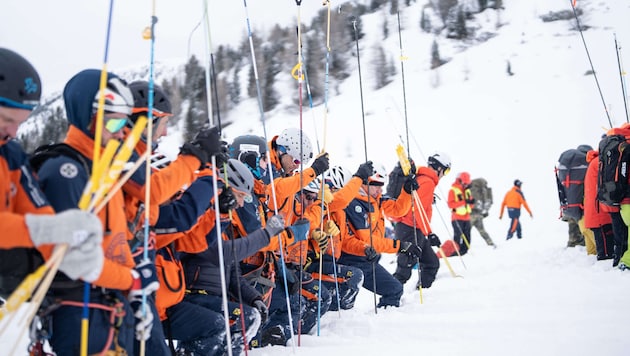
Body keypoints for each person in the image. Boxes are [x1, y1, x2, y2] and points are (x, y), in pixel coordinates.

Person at [35, 69, 152, 354]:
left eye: (125, 122)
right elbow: (76, 259)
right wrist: (131, 280)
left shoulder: (103, 172)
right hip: (78, 311)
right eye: (114, 123)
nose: (123, 131)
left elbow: (112, 241)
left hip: (107, 306)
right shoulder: (67, 171)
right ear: (89, 117)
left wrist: (132, 290)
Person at [0, 48, 104, 297]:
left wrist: (65, 247)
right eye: (6, 120)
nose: (14, 133)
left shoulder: (10, 154)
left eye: (20, 123)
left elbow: (37, 209)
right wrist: (46, 230)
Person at [339, 162, 421, 308]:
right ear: (364, 182)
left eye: (381, 184)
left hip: (368, 258)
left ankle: (382, 322)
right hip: (354, 258)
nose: (380, 189)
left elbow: (398, 210)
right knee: (393, 290)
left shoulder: (376, 200)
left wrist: (407, 191)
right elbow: (367, 240)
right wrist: (400, 246)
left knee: (394, 289)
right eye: (376, 184)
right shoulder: (353, 204)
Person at [393, 152, 451, 290]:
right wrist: (429, 233)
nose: (444, 175)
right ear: (439, 168)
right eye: (446, 171)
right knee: (404, 270)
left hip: (414, 229)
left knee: (431, 263)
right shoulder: (428, 182)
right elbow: (418, 211)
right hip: (410, 229)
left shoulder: (422, 179)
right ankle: (390, 300)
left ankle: (422, 290)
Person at [583, 148, 614, 261]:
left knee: (603, 247)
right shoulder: (600, 162)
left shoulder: (594, 161)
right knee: (606, 253)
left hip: (595, 211)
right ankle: (605, 272)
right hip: (600, 212)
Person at [447, 171, 474, 255]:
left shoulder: (468, 191)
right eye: (464, 183)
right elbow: (450, 205)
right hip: (457, 218)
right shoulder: (453, 190)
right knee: (457, 236)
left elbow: (470, 205)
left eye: (467, 184)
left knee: (467, 236)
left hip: (467, 218)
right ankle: (455, 252)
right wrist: (464, 202)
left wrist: (472, 202)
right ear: (460, 180)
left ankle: (464, 252)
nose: (466, 185)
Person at [469, 177, 496, 248]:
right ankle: (490, 243)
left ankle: (463, 246)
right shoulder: (484, 190)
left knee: (466, 231)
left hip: (471, 214)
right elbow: (488, 201)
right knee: (482, 230)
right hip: (479, 214)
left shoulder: (472, 189)